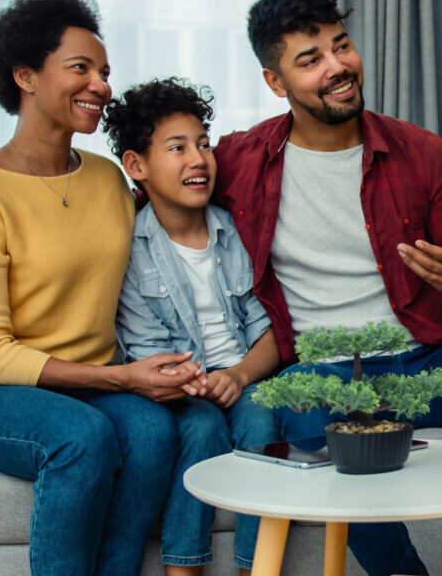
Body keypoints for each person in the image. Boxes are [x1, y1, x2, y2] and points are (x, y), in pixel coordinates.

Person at [212, 0, 442, 576]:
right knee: (299, 405)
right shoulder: (239, 162)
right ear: (276, 82)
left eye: (341, 46)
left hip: (428, 361)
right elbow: (154, 191)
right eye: (310, 59)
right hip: (327, 375)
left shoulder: (421, 153)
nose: (337, 67)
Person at [0, 0, 209, 576]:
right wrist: (121, 378)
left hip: (87, 384)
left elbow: (174, 240)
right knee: (83, 437)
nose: (100, 86)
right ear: (25, 76)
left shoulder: (107, 178)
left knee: (153, 432)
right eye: (81, 68)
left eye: (104, 72)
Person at [104, 77, 283, 576]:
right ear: (136, 166)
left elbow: (269, 330)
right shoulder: (131, 251)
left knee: (261, 421)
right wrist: (194, 382)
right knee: (200, 430)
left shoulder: (233, 232)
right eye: (177, 148)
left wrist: (240, 375)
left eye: (203, 144)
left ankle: (256, 567)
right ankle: (183, 568)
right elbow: (144, 348)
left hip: (243, 374)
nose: (198, 159)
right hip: (179, 386)